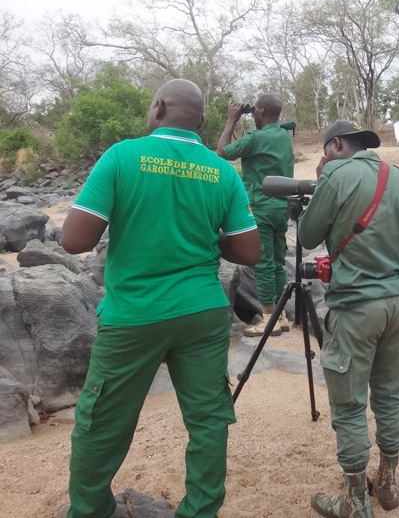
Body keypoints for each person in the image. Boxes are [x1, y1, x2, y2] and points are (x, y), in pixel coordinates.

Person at [58, 79, 260, 518]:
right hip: (202, 312)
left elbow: (74, 240)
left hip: (134, 315)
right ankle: (200, 510)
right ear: (202, 121)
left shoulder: (122, 156)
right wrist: (208, 238)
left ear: (158, 108)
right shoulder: (222, 170)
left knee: (101, 422)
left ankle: (90, 510)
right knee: (208, 421)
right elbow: (249, 252)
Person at [299, 120, 399, 518]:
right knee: (389, 393)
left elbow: (307, 236)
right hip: (395, 307)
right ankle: (389, 483)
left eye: (327, 152)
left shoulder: (336, 173)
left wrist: (324, 182)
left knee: (350, 405)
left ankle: (355, 501)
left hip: (355, 307)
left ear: (336, 145)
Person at [218, 94, 294, 336]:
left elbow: (222, 152)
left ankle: (268, 317)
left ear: (260, 112)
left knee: (262, 263)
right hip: (282, 207)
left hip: (260, 207)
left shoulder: (256, 137)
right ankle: (280, 316)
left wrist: (231, 120)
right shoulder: (284, 134)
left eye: (254, 113)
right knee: (278, 263)